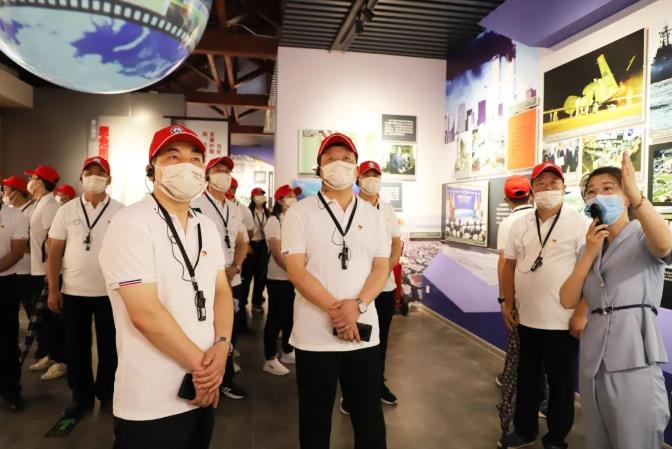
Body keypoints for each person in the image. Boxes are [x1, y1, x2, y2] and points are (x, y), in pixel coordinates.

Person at [99, 125, 234, 449]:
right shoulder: (131, 223)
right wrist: (207, 372)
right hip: (151, 400)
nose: (186, 165)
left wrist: (222, 345)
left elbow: (221, 291)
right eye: (173, 157)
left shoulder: (205, 225)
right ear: (153, 168)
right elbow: (145, 314)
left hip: (200, 389)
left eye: (195, 159)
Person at [283, 133, 390, 449]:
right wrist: (339, 311)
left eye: (346, 159)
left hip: (363, 333)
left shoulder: (373, 215)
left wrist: (357, 306)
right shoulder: (299, 213)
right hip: (314, 336)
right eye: (330, 159)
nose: (338, 164)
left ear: (356, 169)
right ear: (318, 169)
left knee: (369, 418)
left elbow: (381, 268)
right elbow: (296, 270)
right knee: (315, 420)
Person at [559, 154, 671, 449]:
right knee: (598, 439)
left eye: (608, 188)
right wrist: (588, 254)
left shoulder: (643, 236)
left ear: (625, 196)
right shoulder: (590, 246)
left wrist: (639, 199)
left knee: (635, 439)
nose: (598, 195)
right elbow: (567, 299)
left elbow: (664, 245)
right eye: (591, 191)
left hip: (635, 356)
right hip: (593, 359)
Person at [500, 161, 590, 449]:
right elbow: (508, 265)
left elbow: (591, 270)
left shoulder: (580, 223)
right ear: (532, 189)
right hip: (526, 319)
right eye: (541, 183)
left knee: (561, 385)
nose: (548, 188)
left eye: (554, 183)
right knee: (527, 381)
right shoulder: (520, 224)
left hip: (562, 322)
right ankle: (524, 431)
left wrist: (581, 312)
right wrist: (506, 302)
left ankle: (556, 438)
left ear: (564, 188)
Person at [46, 156, 123, 419]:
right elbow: (54, 251)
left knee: (110, 346)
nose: (94, 177)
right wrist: (53, 288)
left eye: (100, 173)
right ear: (81, 178)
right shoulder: (66, 210)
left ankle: (108, 392)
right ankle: (81, 396)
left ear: (109, 180)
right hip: (73, 291)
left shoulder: (120, 211)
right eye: (89, 172)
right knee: (76, 347)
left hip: (110, 292)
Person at [192, 156, 248, 401]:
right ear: (208, 175)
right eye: (218, 170)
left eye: (227, 171)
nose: (223, 174)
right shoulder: (195, 205)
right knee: (204, 330)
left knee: (228, 332)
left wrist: (235, 266)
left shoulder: (234, 208)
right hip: (205, 281)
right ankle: (203, 377)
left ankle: (225, 379)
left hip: (231, 279)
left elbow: (242, 242)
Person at [347, 160, 402, 407]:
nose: (372, 179)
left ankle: (378, 384)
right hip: (357, 288)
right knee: (356, 339)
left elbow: (396, 243)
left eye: (376, 175)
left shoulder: (387, 209)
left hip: (385, 287)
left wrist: (385, 269)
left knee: (380, 340)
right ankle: (350, 394)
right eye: (367, 174)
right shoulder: (350, 207)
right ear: (358, 178)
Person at [24, 165, 67, 381]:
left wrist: (51, 273)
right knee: (46, 320)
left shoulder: (50, 206)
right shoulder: (41, 203)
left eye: (31, 178)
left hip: (45, 271)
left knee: (54, 319)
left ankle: (61, 360)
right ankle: (51, 354)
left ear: (40, 182)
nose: (29, 182)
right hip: (37, 268)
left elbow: (53, 242)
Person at [261, 184, 301, 376]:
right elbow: (277, 254)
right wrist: (295, 271)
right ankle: (269, 358)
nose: (293, 198)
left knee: (290, 316)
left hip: (291, 276)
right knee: (275, 318)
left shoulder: (292, 218)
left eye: (294, 195)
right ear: (280, 200)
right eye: (289, 195)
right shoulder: (273, 221)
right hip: (278, 277)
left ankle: (287, 350)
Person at [0, 196, 29, 411]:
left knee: (6, 340)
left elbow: (17, 252)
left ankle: (9, 389)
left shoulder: (14, 216)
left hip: (4, 284)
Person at [2, 176, 36, 321]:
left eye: (6, 190)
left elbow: (33, 244)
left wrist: (17, 247)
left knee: (30, 307)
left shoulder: (30, 211)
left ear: (16, 192)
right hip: (13, 269)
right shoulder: (10, 211)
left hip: (26, 269)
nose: (3, 193)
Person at [241, 187, 270, 313]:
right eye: (258, 194)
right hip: (250, 245)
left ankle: (256, 302)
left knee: (260, 276)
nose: (261, 196)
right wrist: (246, 245)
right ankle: (242, 302)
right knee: (247, 276)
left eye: (262, 194)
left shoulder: (267, 212)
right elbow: (242, 230)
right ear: (253, 197)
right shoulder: (248, 212)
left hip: (262, 245)